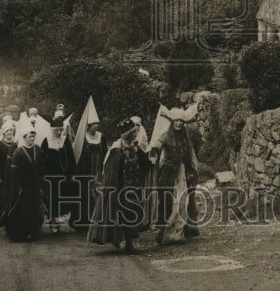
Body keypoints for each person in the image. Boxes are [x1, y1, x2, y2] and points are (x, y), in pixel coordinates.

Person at [88, 117, 150, 255]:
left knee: (131, 215)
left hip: (134, 187)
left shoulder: (135, 147)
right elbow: (112, 173)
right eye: (133, 133)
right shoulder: (117, 150)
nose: (135, 134)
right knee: (123, 215)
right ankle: (125, 242)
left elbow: (143, 163)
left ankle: (128, 242)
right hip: (121, 188)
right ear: (128, 135)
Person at [148, 107, 200, 244]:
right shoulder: (166, 135)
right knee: (166, 201)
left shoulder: (185, 138)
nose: (178, 123)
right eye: (176, 120)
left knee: (183, 201)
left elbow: (190, 153)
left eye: (181, 121)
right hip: (168, 172)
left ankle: (178, 232)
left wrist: (192, 169)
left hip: (182, 172)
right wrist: (154, 151)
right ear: (172, 122)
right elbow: (158, 145)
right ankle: (164, 232)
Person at [0, 127, 44, 241]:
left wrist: (40, 183)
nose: (32, 138)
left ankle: (34, 232)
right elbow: (14, 172)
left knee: (35, 209)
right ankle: (20, 233)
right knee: (23, 209)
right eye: (30, 136)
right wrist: (18, 188)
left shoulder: (38, 149)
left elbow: (41, 167)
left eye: (33, 136)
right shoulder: (18, 152)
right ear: (24, 137)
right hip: (22, 186)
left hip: (34, 184)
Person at [41, 115, 77, 233]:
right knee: (51, 198)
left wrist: (72, 173)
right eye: (57, 130)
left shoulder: (65, 140)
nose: (59, 132)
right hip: (51, 175)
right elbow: (42, 159)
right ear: (52, 129)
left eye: (61, 129)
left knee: (64, 197)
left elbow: (71, 158)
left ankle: (65, 220)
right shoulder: (46, 141)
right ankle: (53, 221)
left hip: (64, 175)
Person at [0, 117, 17, 221]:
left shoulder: (15, 144)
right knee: (0, 193)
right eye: (7, 131)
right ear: (4, 132)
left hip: (11, 172)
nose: (9, 133)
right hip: (1, 173)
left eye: (11, 130)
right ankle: (0, 214)